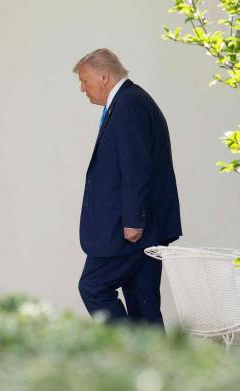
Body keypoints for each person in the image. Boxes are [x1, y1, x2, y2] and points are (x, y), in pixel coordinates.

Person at [73, 48, 182, 327]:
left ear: (105, 76)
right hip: (145, 228)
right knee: (143, 304)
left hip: (132, 230)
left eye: (85, 80)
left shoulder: (129, 104)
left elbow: (136, 166)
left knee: (94, 287)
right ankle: (152, 365)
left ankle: (128, 350)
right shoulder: (130, 101)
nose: (82, 88)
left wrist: (134, 221)